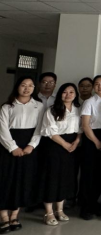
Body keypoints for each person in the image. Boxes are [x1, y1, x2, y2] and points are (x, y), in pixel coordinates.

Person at [0, 77, 43, 234]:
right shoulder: (7, 106)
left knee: (22, 180)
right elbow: (2, 129)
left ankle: (15, 215)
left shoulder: (39, 106)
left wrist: (32, 145)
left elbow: (40, 128)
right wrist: (12, 147)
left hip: (29, 147)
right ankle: (3, 217)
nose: (27, 88)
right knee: (6, 180)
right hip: (8, 147)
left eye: (30, 85)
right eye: (23, 85)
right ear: (17, 87)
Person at [40, 83, 82, 227]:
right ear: (59, 94)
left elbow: (81, 128)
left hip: (72, 145)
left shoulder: (78, 109)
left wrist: (76, 142)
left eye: (71, 92)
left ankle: (60, 209)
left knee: (65, 178)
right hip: (55, 145)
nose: (68, 95)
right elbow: (49, 131)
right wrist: (65, 144)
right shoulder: (52, 110)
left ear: (75, 94)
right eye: (65, 92)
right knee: (52, 178)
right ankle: (48, 212)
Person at [79, 75, 101, 221]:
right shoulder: (89, 102)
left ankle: (95, 203)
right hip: (92, 137)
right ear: (93, 87)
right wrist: (97, 142)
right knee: (89, 174)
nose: (100, 86)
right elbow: (85, 125)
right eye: (97, 84)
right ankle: (85, 207)